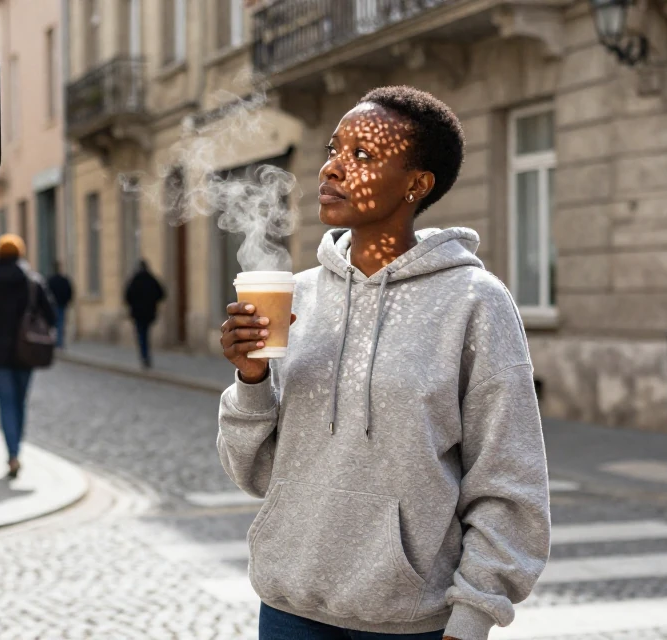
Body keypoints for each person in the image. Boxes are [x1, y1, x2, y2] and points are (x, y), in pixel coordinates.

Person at [217, 86, 550, 640]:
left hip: (412, 621)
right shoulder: (295, 297)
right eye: (333, 149)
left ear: (417, 184)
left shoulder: (474, 301)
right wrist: (251, 379)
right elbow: (254, 473)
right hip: (289, 609)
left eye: (362, 156)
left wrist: (473, 615)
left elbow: (509, 476)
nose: (332, 168)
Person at [0, 234, 56, 478]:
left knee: (6, 404)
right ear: (20, 254)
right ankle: (17, 448)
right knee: (20, 402)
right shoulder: (33, 282)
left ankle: (12, 454)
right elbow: (50, 316)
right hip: (27, 353)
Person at [124, 260, 165, 369]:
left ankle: (144, 356)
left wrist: (134, 304)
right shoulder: (152, 279)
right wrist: (152, 302)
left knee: (141, 334)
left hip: (138, 313)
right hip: (149, 312)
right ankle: (146, 355)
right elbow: (161, 293)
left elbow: (127, 296)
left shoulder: (134, 280)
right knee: (146, 333)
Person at [46, 262, 74, 348]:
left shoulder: (50, 280)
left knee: (53, 324)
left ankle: (55, 342)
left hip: (53, 305)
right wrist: (67, 301)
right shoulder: (64, 280)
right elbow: (70, 291)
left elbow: (46, 293)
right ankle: (59, 342)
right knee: (61, 323)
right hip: (62, 304)